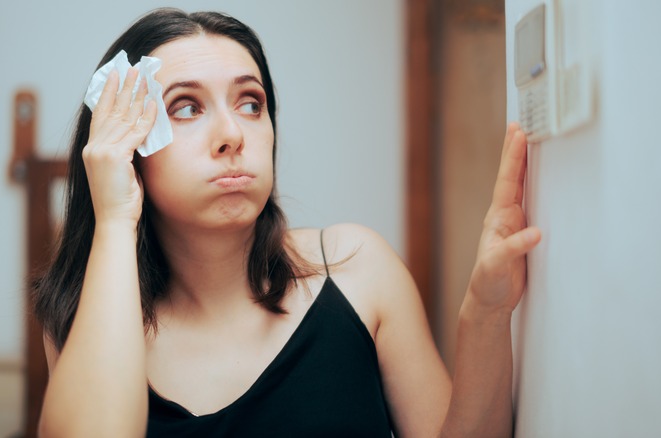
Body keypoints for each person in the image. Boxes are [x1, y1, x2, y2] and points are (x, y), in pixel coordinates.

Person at [33, 7, 541, 438]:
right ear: (129, 145)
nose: (232, 133)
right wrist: (116, 217)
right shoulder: (87, 318)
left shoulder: (358, 270)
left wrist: (486, 314)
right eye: (186, 107)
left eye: (250, 103)